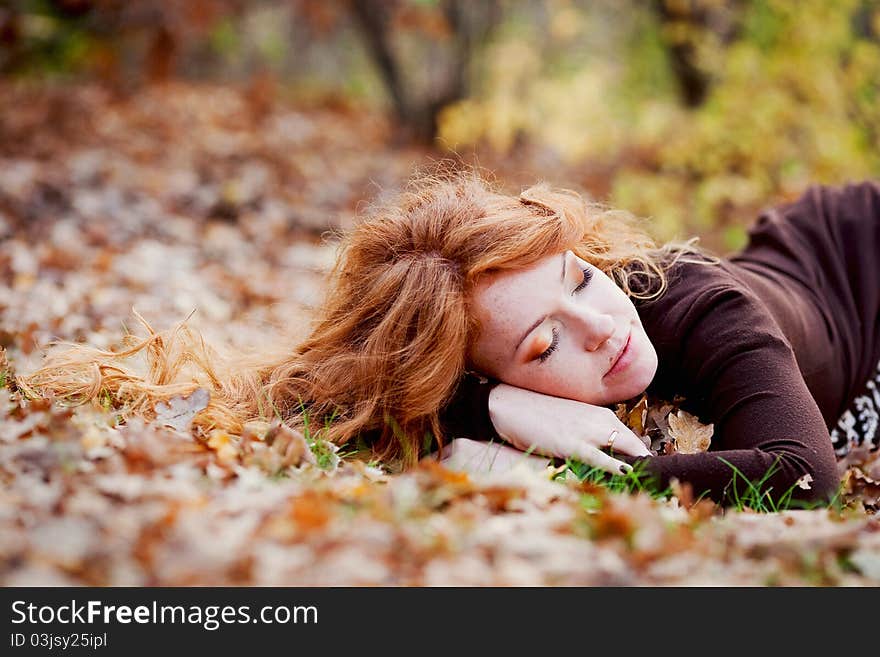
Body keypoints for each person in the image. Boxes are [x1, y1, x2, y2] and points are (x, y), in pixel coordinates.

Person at [20, 170, 880, 506]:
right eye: (544, 348)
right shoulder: (470, 384)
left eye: (580, 277)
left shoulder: (697, 305)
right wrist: (490, 407)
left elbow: (801, 473)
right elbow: (384, 402)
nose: (603, 327)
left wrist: (558, 466)